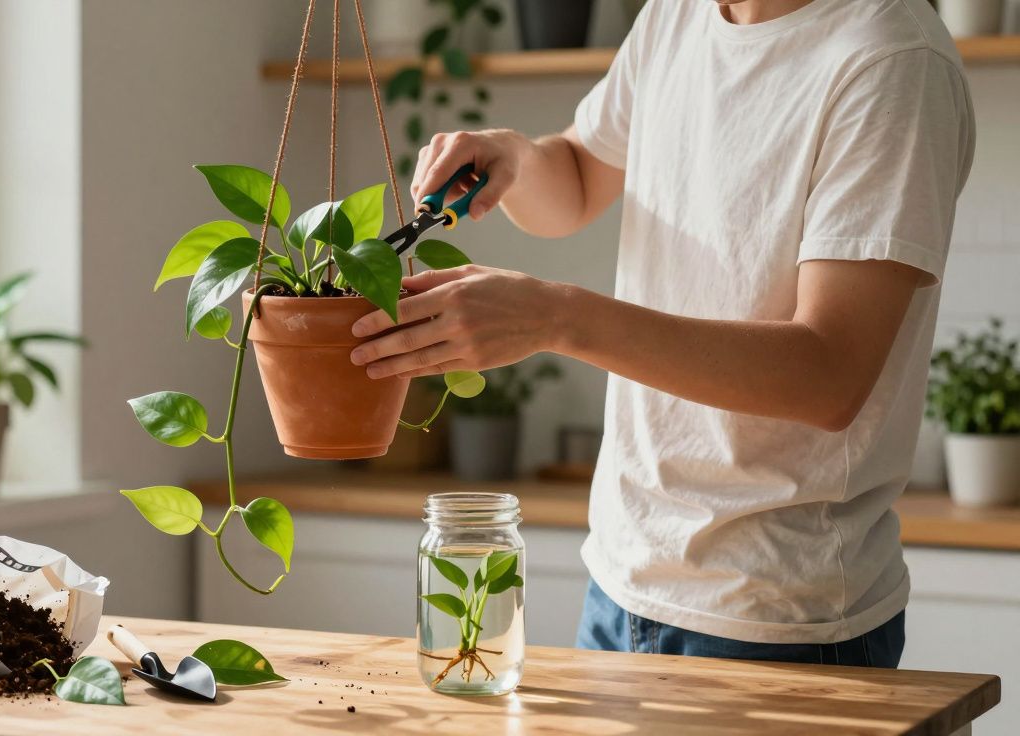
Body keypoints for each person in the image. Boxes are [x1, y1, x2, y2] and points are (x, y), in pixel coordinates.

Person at [350, 0, 975, 667]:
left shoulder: (891, 61)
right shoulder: (677, 14)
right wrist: (517, 156)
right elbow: (582, 175)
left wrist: (553, 316)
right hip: (621, 585)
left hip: (776, 618)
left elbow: (828, 375)